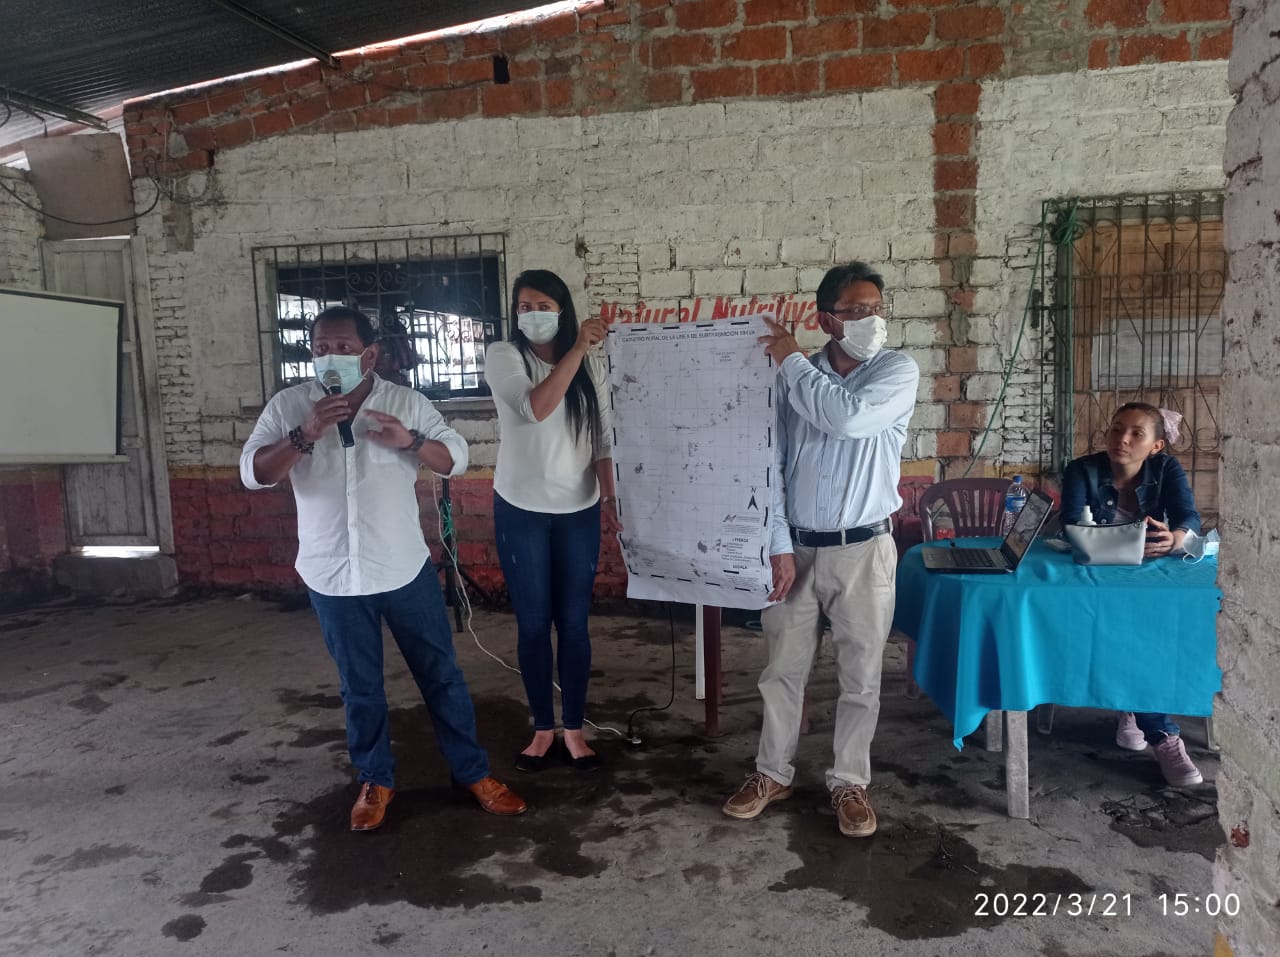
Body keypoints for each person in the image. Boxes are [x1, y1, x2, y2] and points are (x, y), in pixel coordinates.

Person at [239, 305, 526, 831]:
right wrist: (304, 434)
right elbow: (254, 473)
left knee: (441, 675)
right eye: (321, 348)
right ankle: (376, 780)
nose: (331, 356)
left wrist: (411, 441)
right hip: (332, 574)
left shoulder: (404, 403)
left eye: (344, 348)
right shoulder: (290, 406)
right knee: (360, 686)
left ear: (369, 355)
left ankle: (472, 773)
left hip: (401, 568)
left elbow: (457, 457)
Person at [722, 261, 920, 838]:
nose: (871, 320)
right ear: (826, 318)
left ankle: (849, 781)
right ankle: (772, 772)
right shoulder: (795, 375)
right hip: (798, 549)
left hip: (865, 549)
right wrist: (778, 545)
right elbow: (772, 465)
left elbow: (846, 419)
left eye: (876, 309)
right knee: (782, 671)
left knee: (861, 676)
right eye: (857, 310)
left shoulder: (896, 371)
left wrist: (789, 360)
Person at [484, 269, 620, 773]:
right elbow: (534, 408)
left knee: (575, 624)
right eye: (524, 307)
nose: (533, 314)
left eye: (543, 305)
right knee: (534, 622)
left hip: (578, 509)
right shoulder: (505, 356)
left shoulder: (591, 368)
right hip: (520, 508)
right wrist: (578, 349)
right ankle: (543, 728)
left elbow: (603, 439)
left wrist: (611, 498)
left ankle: (575, 729)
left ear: (562, 309)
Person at [1059, 401, 1205, 786]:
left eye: (1136, 433)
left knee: (1161, 629)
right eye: (1116, 428)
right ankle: (1162, 734)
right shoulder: (1082, 470)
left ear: (1156, 446)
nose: (1122, 439)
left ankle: (1129, 705)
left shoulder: (1167, 469)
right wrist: (1127, 545)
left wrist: (1175, 538)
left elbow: (1189, 517)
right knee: (1123, 629)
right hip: (1096, 581)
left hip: (1149, 578)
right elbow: (1072, 528)